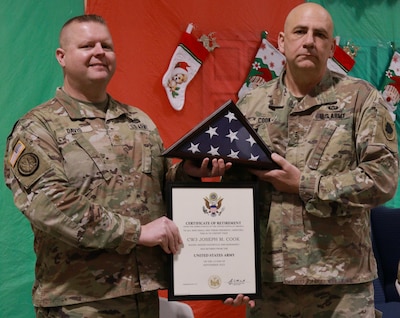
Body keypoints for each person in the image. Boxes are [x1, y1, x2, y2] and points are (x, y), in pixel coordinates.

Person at [3, 14, 250, 317]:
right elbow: (49, 205)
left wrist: (186, 174)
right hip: (79, 303)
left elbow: (156, 196)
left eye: (106, 45)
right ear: (62, 56)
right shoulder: (38, 127)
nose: (99, 52)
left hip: (144, 298)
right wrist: (135, 233)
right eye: (86, 45)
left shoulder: (139, 122)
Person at [218, 3, 399, 317]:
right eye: (300, 31)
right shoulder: (251, 104)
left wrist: (305, 184)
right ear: (281, 41)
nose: (309, 41)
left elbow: (383, 180)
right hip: (271, 284)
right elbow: (235, 195)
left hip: (342, 285)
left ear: (331, 47)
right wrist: (233, 270)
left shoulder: (361, 99)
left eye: (320, 34)